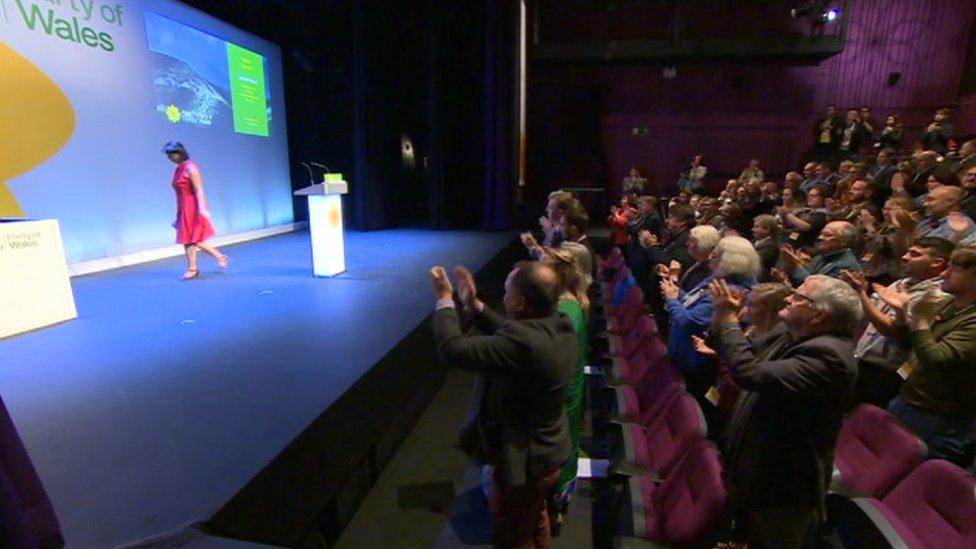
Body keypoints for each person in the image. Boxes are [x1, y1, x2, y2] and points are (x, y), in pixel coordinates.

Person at [429, 262, 576, 547]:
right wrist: (474, 305)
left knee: (512, 537)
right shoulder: (560, 324)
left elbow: (452, 350)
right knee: (535, 519)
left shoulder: (524, 345)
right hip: (549, 454)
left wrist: (444, 299)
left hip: (524, 465)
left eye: (507, 292)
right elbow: (513, 331)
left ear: (521, 303)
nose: (503, 295)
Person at [710, 275, 861, 548]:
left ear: (819, 315)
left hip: (783, 486)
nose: (789, 298)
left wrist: (731, 321)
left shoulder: (830, 357)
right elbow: (736, 353)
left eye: (799, 297)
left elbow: (749, 372)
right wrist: (724, 315)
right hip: (755, 468)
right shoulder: (792, 333)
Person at [875, 248, 976, 466]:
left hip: (938, 418)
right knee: (874, 466)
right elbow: (908, 343)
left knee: (903, 484)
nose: (943, 274)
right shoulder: (946, 303)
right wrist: (902, 313)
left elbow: (936, 359)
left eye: (955, 270)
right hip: (907, 398)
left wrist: (919, 318)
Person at [842, 237, 953, 407]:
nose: (904, 257)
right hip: (865, 359)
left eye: (914, 254)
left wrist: (861, 294)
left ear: (937, 263)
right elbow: (872, 315)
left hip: (887, 371)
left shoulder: (937, 297)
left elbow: (892, 331)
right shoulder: (902, 283)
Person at [540, 248, 589, 531]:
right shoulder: (572, 300)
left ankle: (551, 508)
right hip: (568, 389)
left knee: (557, 447)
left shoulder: (563, 312)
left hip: (560, 395)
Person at [163, 141, 227, 280]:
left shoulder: (191, 167)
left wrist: (203, 209)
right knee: (189, 238)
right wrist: (178, 214)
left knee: (191, 238)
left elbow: (199, 189)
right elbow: (178, 192)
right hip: (183, 206)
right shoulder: (178, 169)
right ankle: (212, 259)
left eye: (172, 154)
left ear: (180, 152)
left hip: (193, 207)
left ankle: (194, 267)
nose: (170, 157)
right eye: (168, 155)